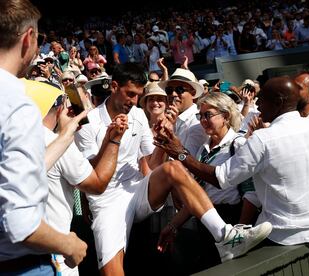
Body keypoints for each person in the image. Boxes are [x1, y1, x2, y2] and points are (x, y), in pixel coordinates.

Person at [75, 63, 271, 275]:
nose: (133, 102)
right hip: (106, 200)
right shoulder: (88, 122)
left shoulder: (138, 115)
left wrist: (162, 144)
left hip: (136, 191)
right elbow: (91, 175)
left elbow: (149, 163)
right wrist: (110, 140)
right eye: (130, 94)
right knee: (112, 271)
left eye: (137, 96)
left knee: (173, 168)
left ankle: (226, 236)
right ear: (114, 87)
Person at [155, 76, 309, 247]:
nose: (258, 106)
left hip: (281, 236)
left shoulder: (263, 139)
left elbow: (221, 179)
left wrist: (181, 154)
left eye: (261, 99)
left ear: (278, 102)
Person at [0, 1, 86, 274]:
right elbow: (20, 223)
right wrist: (69, 244)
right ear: (28, 38)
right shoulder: (16, 105)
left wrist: (65, 134)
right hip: (18, 266)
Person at [157, 93, 259, 272]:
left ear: (225, 116)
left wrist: (238, 235)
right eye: (200, 115)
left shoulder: (239, 145)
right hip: (206, 224)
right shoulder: (204, 150)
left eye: (208, 115)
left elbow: (250, 193)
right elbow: (198, 196)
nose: (203, 120)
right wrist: (172, 226)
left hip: (231, 220)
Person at [39, 93, 128, 275]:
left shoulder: (11, 138)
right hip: (55, 256)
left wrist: (104, 142)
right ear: (60, 109)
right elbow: (97, 184)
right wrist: (114, 139)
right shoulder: (58, 143)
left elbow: (84, 173)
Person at [158, 68, 207, 156]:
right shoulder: (172, 119)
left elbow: (188, 162)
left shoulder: (197, 122)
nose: (173, 94)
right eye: (169, 90)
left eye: (179, 89)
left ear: (193, 93)